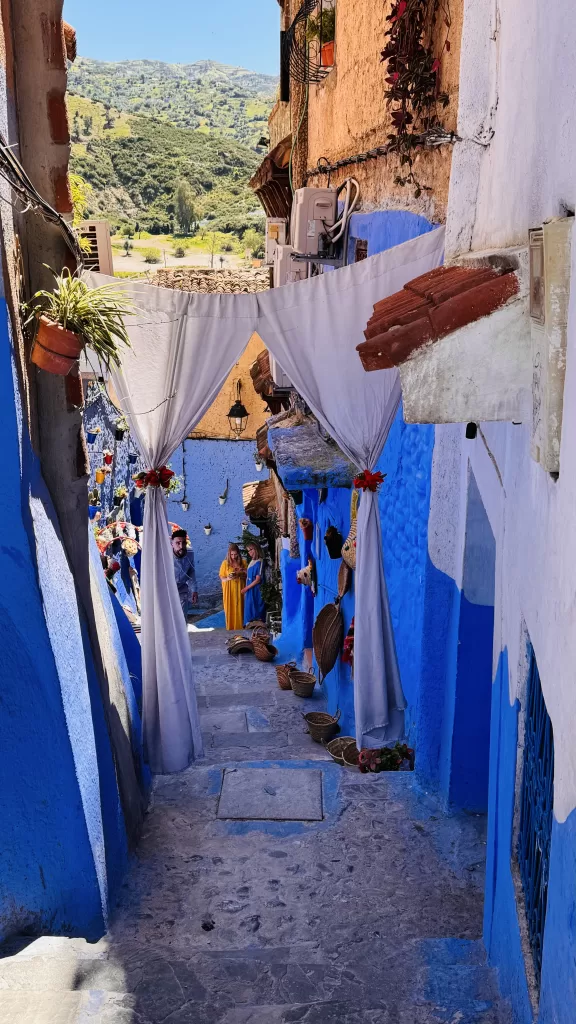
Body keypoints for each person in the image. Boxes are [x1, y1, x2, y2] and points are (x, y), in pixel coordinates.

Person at [219, 542, 247, 630]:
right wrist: (228, 578)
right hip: (229, 590)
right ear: (229, 554)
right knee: (230, 609)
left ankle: (240, 629)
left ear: (238, 553)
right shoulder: (225, 563)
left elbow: (248, 576)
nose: (233, 556)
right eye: (232, 554)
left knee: (240, 608)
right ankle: (230, 629)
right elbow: (222, 578)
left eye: (235, 554)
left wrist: (240, 573)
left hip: (240, 589)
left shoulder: (243, 562)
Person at [172, 528, 198, 619]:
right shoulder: (166, 555)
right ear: (172, 543)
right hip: (167, 590)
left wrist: (194, 589)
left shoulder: (190, 553)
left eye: (183, 543)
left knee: (182, 618)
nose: (181, 546)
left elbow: (191, 571)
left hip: (182, 589)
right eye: (177, 543)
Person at [241, 541, 266, 626]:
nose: (249, 552)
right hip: (250, 590)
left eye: (251, 550)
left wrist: (246, 588)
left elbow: (258, 579)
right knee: (249, 610)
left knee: (255, 610)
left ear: (256, 549)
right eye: (248, 551)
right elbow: (251, 574)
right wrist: (243, 571)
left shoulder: (260, 562)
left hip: (255, 591)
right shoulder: (252, 561)